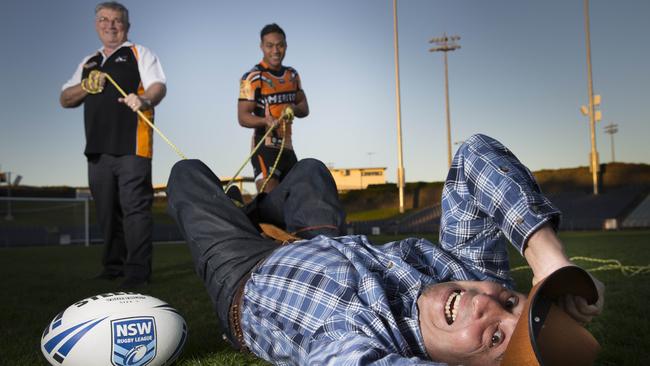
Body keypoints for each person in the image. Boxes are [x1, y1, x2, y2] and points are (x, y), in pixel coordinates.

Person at [166, 134, 605, 365]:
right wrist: (550, 264)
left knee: (186, 174)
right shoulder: (467, 273)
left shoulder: (365, 344)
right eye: (511, 300)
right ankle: (260, 209)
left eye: (495, 338)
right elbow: (476, 155)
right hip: (321, 241)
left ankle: (244, 216)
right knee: (311, 171)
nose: (485, 304)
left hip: (244, 274)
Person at [60, 1, 167, 288]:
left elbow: (158, 86)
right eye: (104, 20)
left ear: (127, 26)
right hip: (97, 149)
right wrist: (85, 86)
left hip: (134, 146)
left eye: (117, 20)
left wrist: (144, 100)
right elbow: (64, 98)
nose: (110, 25)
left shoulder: (139, 53)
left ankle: (137, 272)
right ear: (97, 25)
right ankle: (112, 267)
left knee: (135, 209)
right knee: (107, 212)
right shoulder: (89, 62)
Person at [238, 23, 310, 193]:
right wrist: (264, 120)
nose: (275, 50)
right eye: (270, 46)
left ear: (285, 46)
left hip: (288, 149)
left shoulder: (292, 75)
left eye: (280, 45)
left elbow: (304, 107)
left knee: (296, 202)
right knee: (271, 203)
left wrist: (293, 108)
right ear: (262, 47)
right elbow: (242, 116)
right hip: (265, 147)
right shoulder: (252, 77)